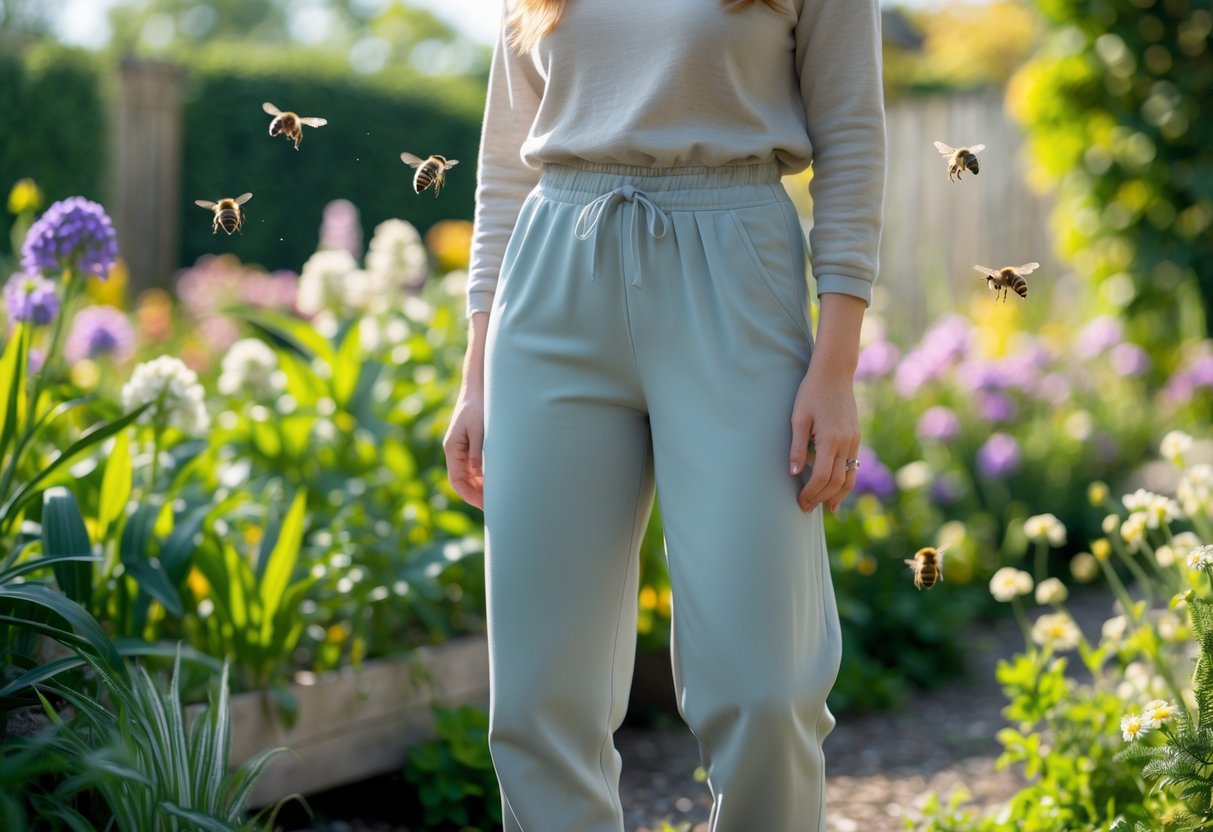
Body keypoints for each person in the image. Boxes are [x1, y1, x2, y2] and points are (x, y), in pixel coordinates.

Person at [443, 0, 885, 828]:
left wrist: (836, 363)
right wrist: (476, 373)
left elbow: (853, 138)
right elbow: (504, 164)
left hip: (734, 271)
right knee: (540, 699)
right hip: (550, 283)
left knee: (766, 687)